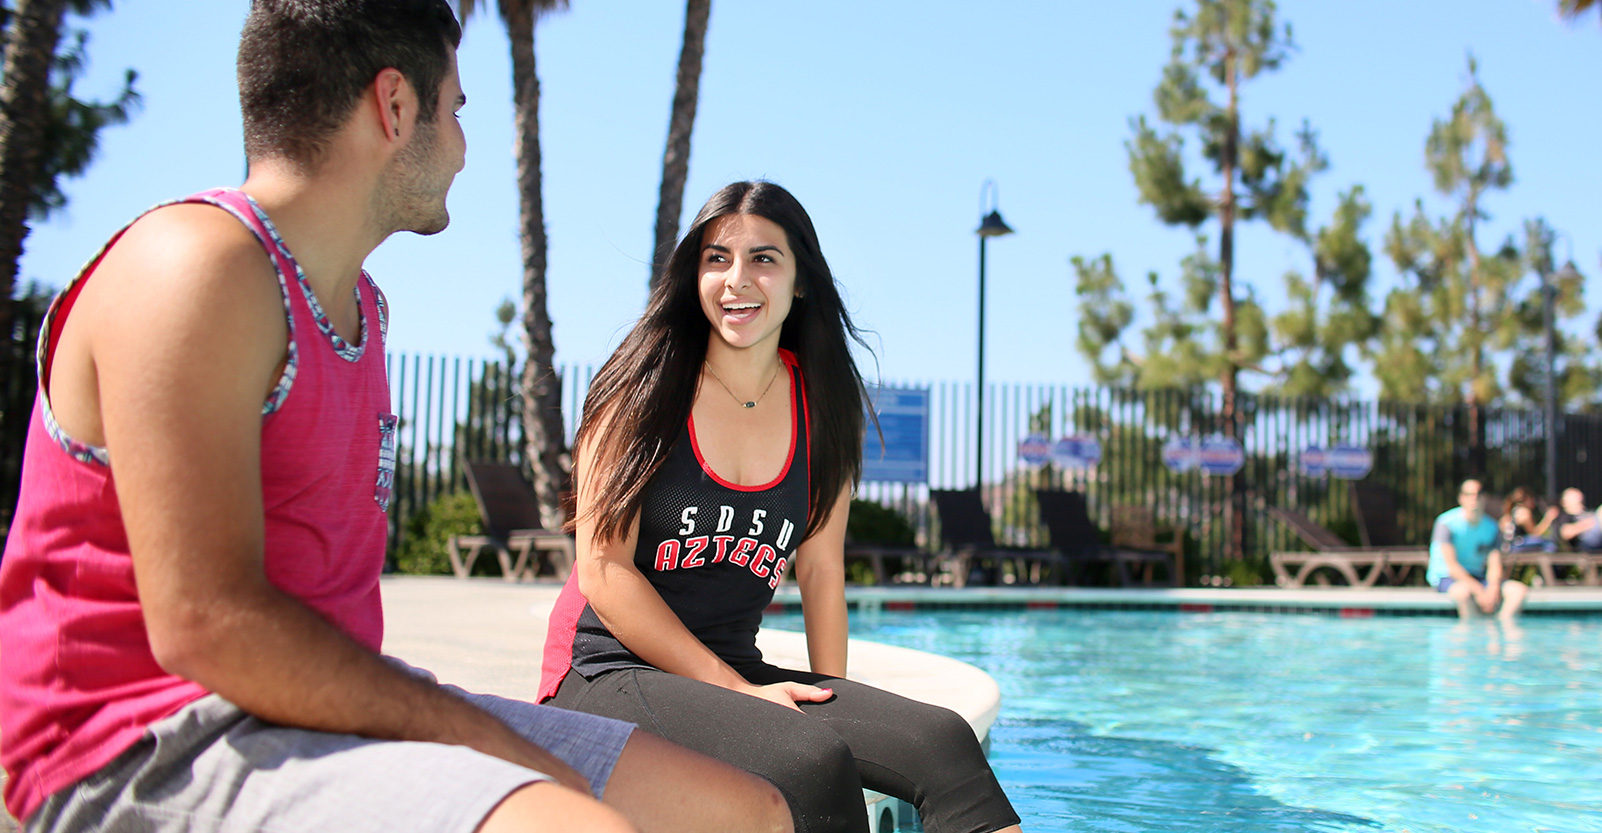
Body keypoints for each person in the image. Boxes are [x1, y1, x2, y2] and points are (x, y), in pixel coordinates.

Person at [0, 4, 788, 832]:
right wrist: (482, 740)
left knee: (744, 810)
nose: (461, 145)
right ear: (395, 106)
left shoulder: (364, 308)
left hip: (317, 715)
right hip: (145, 745)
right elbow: (207, 625)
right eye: (452, 112)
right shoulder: (196, 266)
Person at [539, 181, 1024, 833]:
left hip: (735, 668)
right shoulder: (641, 387)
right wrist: (739, 693)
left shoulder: (821, 407)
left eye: (764, 258)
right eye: (717, 258)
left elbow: (821, 572)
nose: (737, 279)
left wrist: (838, 704)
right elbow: (603, 570)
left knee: (944, 742)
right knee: (809, 761)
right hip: (607, 668)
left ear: (800, 282)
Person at [1428, 480, 1528, 620]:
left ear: (1484, 497)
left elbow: (1494, 563)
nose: (1474, 498)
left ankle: (1501, 630)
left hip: (1477, 575)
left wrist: (1493, 587)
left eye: (1478, 493)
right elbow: (1452, 568)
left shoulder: (1492, 527)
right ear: (1461, 498)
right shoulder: (1445, 523)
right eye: (1469, 494)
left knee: (1518, 591)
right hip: (1447, 577)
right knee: (1463, 593)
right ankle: (1471, 636)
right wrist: (1480, 591)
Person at [1500, 486, 1558, 553]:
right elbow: (1534, 534)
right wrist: (1548, 518)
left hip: (1505, 547)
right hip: (1515, 546)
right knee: (1550, 545)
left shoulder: (1510, 512)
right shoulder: (1524, 512)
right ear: (1528, 499)